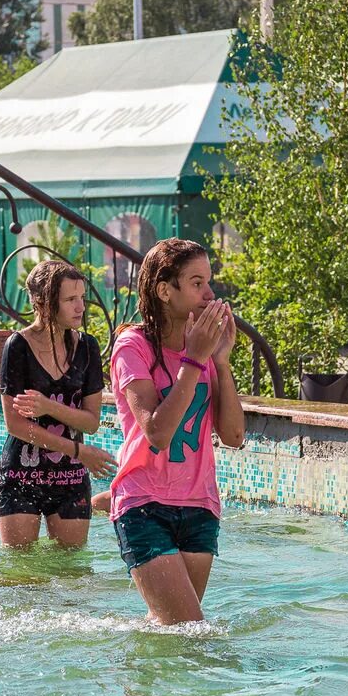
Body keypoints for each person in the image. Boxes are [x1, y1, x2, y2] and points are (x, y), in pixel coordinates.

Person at [108, 238, 245, 625]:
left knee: (174, 631)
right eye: (197, 283)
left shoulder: (202, 345)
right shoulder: (132, 346)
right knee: (190, 628)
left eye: (209, 282)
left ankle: (138, 676)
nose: (209, 294)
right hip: (145, 503)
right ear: (165, 290)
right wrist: (195, 359)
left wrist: (220, 361)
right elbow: (157, 433)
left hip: (200, 505)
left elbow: (234, 436)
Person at [0, 259, 117, 548]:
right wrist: (77, 449)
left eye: (82, 298)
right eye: (70, 299)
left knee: (72, 572)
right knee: (20, 573)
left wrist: (49, 407)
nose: (80, 307)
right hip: (20, 475)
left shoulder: (88, 347)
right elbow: (16, 425)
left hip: (71, 477)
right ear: (43, 302)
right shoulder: (17, 347)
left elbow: (91, 421)